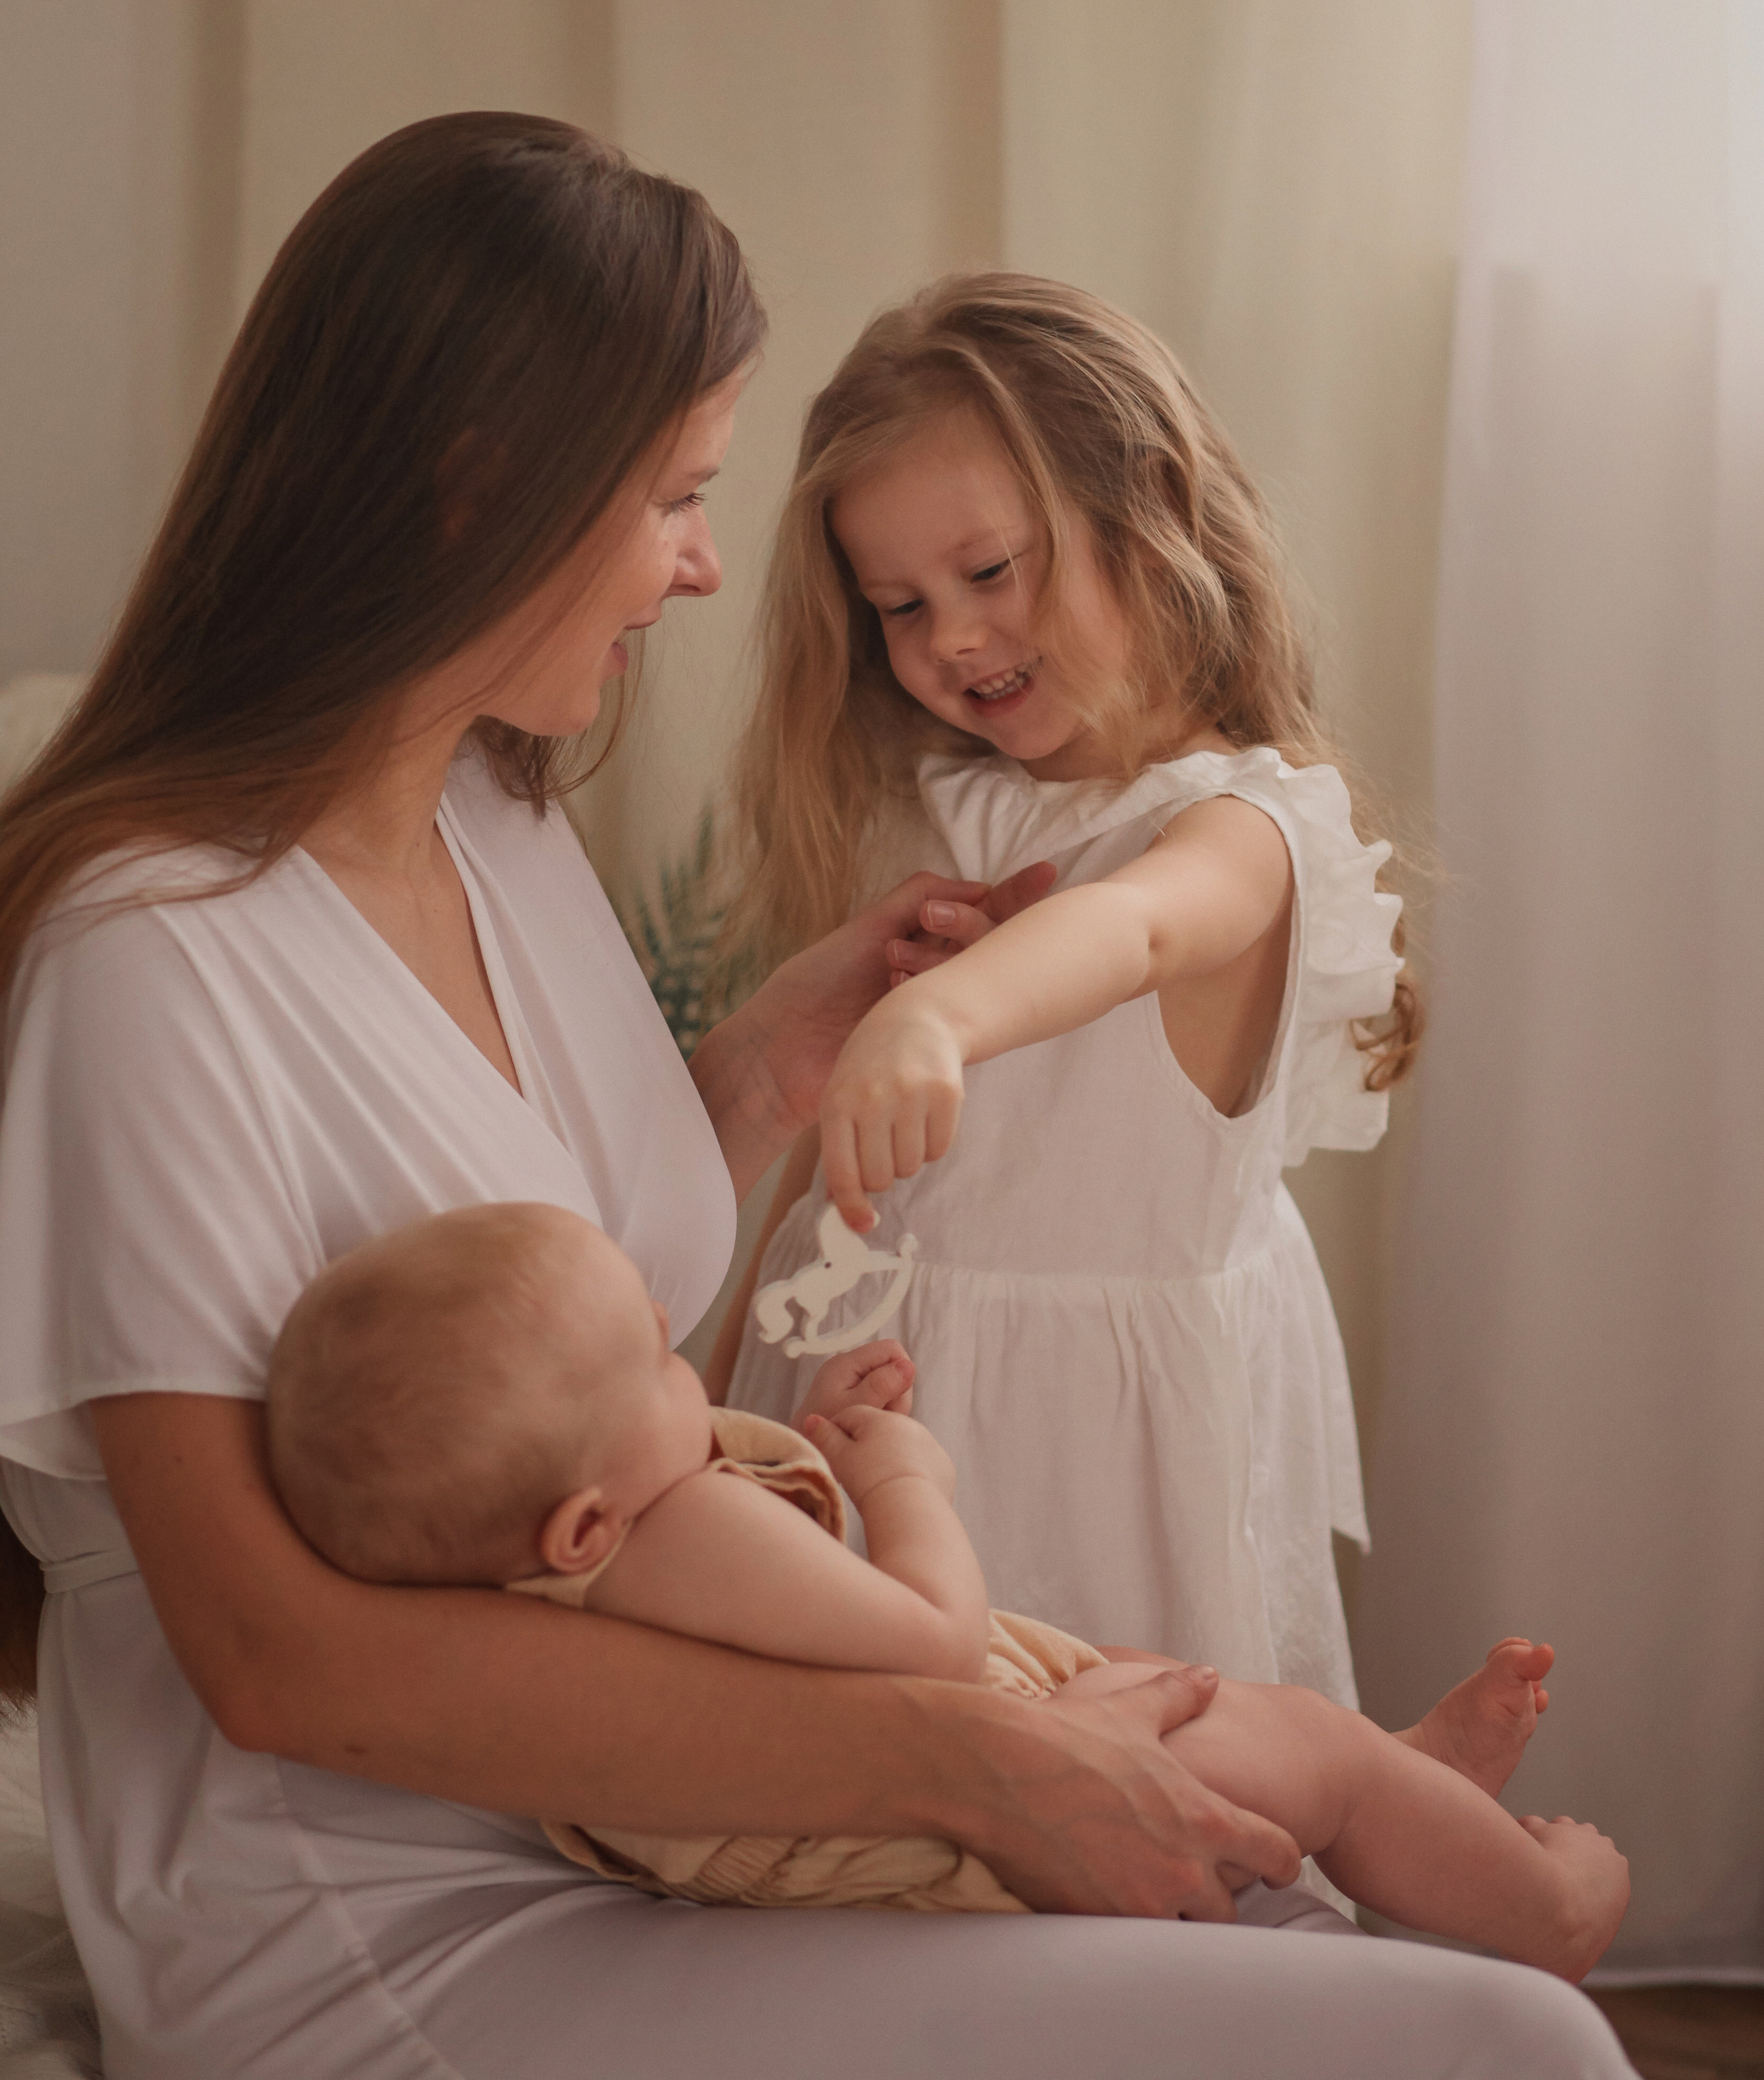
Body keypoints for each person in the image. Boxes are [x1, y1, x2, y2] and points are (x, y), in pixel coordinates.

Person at [0, 117, 1635, 2080]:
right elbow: (275, 1659)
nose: (703, 565)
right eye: (674, 496)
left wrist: (759, 1067)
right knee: (1502, 2047)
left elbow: (552, 1345)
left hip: (677, 1830)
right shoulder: (149, 952)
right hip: (390, 1911)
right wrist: (965, 1755)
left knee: (1413, 1969)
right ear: (479, 488)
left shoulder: (494, 822)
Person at [269, 1200, 1630, 1978]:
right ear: (583, 1527)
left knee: (1176, 1690)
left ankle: (1408, 1785)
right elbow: (932, 1640)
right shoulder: (675, 1533)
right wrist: (908, 1485)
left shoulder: (546, 1591)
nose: (682, 1356)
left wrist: (798, 1440)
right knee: (1303, 1744)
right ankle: (1538, 1906)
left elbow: (788, 1636)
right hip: (956, 1837)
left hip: (844, 1852)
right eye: (653, 1358)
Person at [717, 276, 1409, 1710]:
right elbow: (829, 1173)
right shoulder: (935, 812)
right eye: (900, 606)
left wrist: (937, 1014)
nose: (952, 639)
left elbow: (1131, 931)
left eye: (989, 572)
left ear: (1147, 514)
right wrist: (728, 1397)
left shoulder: (1241, 829)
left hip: (1084, 1441)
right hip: (867, 1394)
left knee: (1103, 1748)